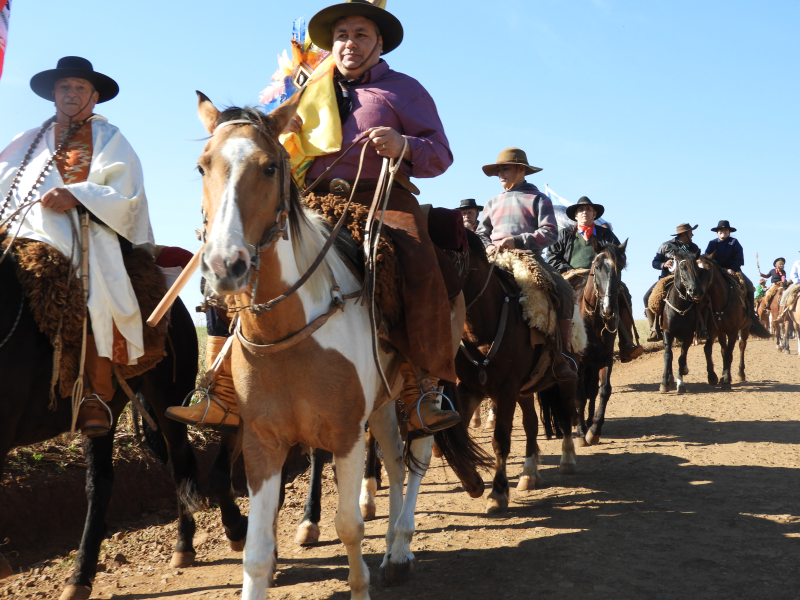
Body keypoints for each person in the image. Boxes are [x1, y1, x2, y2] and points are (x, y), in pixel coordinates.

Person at [168, 0, 462, 435]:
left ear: (380, 43)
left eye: (361, 35)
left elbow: (440, 155)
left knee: (418, 261)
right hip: (306, 199)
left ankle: (419, 388)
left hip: (380, 197)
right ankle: (220, 387)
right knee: (230, 255)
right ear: (330, 44)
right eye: (342, 35)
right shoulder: (300, 87)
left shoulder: (405, 90)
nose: (350, 43)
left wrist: (404, 145)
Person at [0, 57, 153, 437]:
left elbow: (125, 191)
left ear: (95, 96)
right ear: (53, 93)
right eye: (64, 86)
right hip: (17, 228)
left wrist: (77, 194)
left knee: (92, 293)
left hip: (78, 229)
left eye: (80, 88)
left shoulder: (108, 138)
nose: (71, 93)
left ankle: (94, 395)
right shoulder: (25, 140)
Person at [476, 147, 577, 379]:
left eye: (505, 169)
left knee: (564, 291)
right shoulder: (491, 202)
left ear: (521, 169)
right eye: (498, 170)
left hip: (529, 258)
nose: (500, 174)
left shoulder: (539, 199)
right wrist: (489, 246)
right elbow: (482, 234)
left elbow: (551, 233)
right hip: (495, 259)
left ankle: (562, 357)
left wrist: (518, 240)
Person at [547, 196, 644, 362]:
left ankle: (626, 343)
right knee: (553, 297)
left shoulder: (606, 234)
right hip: (572, 275)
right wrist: (570, 269)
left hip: (602, 276)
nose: (585, 212)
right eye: (581, 210)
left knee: (623, 293)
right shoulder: (564, 234)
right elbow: (552, 257)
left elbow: (619, 254)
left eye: (589, 210)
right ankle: (551, 342)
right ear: (575, 215)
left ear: (594, 214)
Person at [643, 223, 702, 341]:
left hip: (688, 279)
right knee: (646, 298)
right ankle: (655, 329)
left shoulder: (694, 248)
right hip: (668, 278)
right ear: (684, 234)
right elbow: (654, 262)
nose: (692, 234)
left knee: (702, 295)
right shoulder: (666, 246)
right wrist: (663, 264)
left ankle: (702, 327)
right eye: (690, 232)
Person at [704, 220, 757, 317]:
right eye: (720, 230)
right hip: (716, 271)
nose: (723, 231)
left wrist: (732, 268)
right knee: (702, 285)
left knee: (749, 285)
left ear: (729, 231)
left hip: (732, 270)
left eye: (725, 229)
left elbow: (739, 258)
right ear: (717, 232)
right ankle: (702, 313)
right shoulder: (712, 243)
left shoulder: (734, 242)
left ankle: (751, 314)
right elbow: (707, 258)